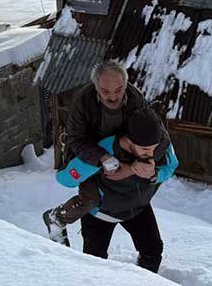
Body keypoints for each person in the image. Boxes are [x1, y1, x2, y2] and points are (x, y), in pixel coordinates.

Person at [49, 108, 179, 273]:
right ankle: (57, 218)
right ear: (129, 140)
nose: (151, 153)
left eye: (153, 147)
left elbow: (172, 165)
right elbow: (64, 179)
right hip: (102, 213)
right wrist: (97, 163)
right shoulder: (106, 149)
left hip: (138, 208)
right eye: (145, 149)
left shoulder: (161, 145)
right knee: (94, 265)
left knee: (153, 252)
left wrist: (156, 174)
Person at [42, 59, 148, 246]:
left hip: (121, 153)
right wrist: (102, 157)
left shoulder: (136, 100)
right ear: (96, 87)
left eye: (118, 90)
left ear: (125, 84)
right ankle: (57, 218)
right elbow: (76, 139)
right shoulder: (83, 102)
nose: (113, 97)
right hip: (89, 154)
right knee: (91, 200)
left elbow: (144, 131)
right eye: (105, 92)